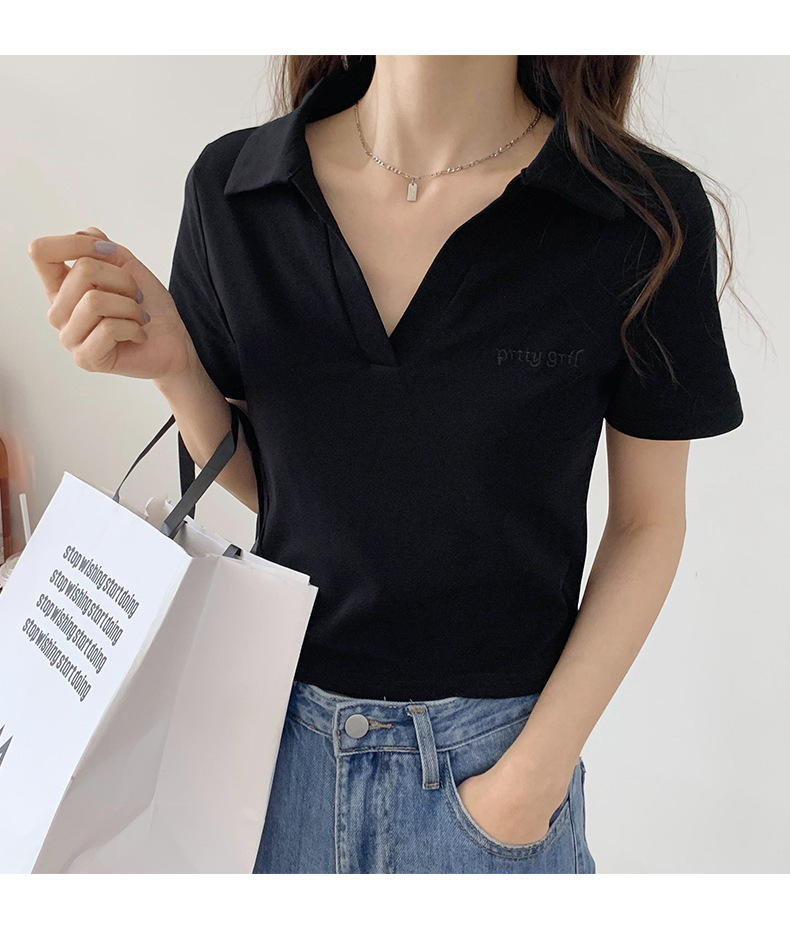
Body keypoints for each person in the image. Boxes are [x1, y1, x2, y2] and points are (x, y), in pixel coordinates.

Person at [29, 55, 747, 874]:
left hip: (493, 777)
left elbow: (647, 522)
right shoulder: (235, 190)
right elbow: (289, 493)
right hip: (265, 766)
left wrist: (531, 778)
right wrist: (177, 370)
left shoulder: (636, 214)